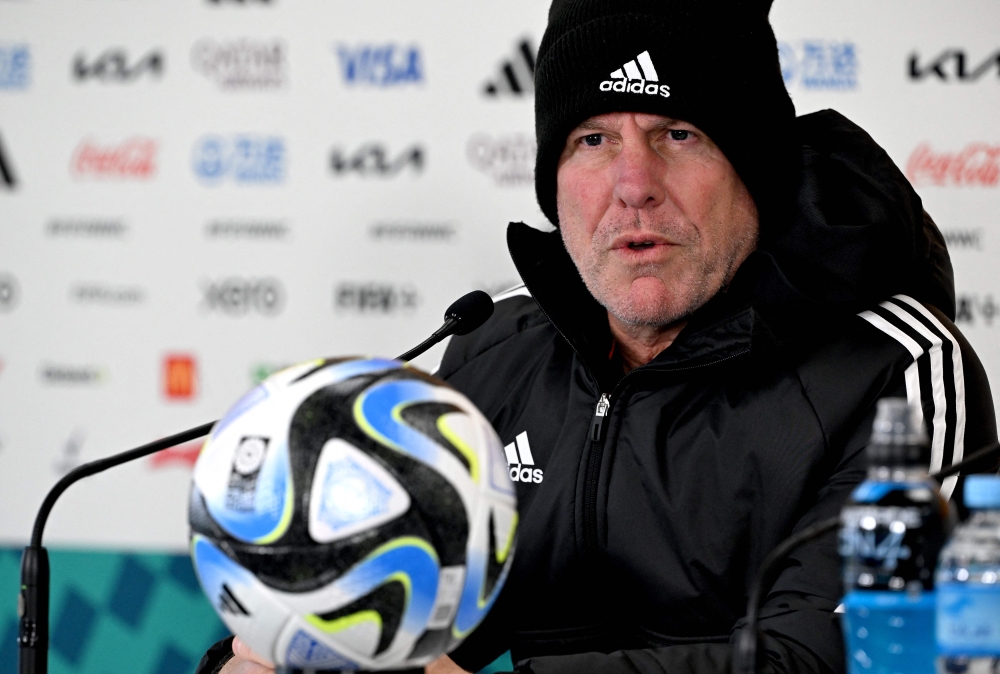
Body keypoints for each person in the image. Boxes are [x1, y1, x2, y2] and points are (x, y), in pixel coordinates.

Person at [203, 0, 998, 672]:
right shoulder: (494, 348)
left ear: (754, 165)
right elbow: (411, 612)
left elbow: (851, 656)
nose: (632, 184)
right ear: (553, 179)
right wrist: (276, 646)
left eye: (677, 133)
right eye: (593, 140)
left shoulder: (897, 371)